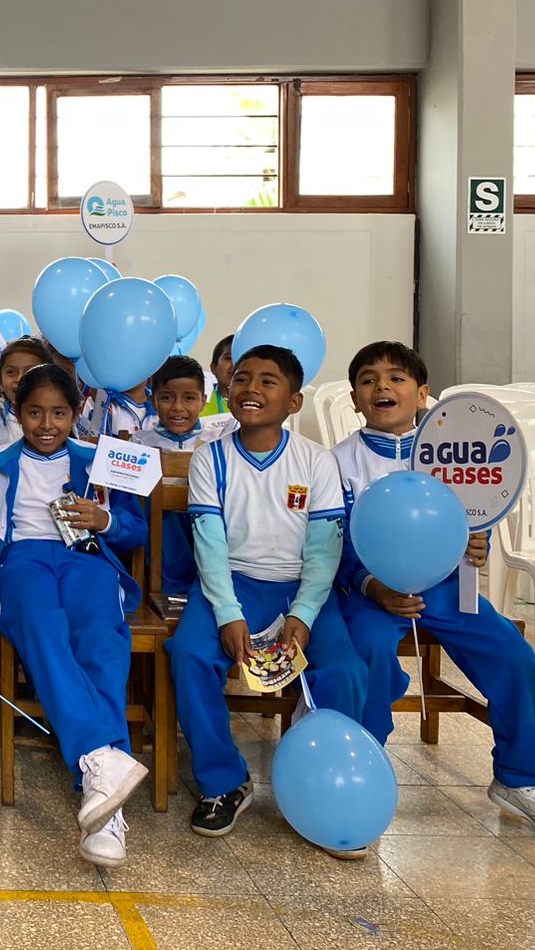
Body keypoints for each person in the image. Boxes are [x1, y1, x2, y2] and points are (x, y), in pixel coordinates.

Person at [333, 341, 535, 849]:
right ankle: (365, 781)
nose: (382, 386)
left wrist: (476, 539)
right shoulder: (338, 462)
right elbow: (334, 543)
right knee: (368, 656)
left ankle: (521, 778)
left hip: (449, 586)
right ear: (354, 398)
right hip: (370, 590)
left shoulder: (453, 453)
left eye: (397, 378)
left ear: (423, 393)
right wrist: (374, 587)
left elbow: (477, 510)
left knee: (514, 658)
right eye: (368, 380)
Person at [0, 364, 149, 867]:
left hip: (83, 556)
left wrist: (103, 518)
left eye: (59, 412)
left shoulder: (99, 461)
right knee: (43, 628)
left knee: (100, 635)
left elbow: (133, 529)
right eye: (34, 412)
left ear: (77, 413)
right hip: (22, 559)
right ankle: (103, 771)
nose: (46, 424)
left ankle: (102, 792)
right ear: (17, 413)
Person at [167, 345, 365, 849]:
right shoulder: (209, 458)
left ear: (295, 402)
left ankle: (331, 789)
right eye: (242, 379)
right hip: (230, 584)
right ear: (228, 391)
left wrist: (302, 613)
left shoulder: (316, 462)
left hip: (303, 590)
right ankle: (224, 782)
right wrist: (228, 613)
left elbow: (324, 551)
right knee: (190, 654)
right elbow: (209, 546)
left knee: (344, 670)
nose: (251, 388)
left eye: (268, 381)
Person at [133, 355, 232, 596]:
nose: (178, 407)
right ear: (153, 401)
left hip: (207, 526)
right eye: (167, 398)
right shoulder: (140, 443)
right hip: (163, 534)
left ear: (203, 401)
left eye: (189, 398)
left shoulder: (216, 441)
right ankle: (175, 588)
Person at [200, 336, 234, 420]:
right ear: (213, 367)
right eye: (229, 358)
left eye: (242, 358)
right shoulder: (199, 403)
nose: (235, 363)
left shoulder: (262, 405)